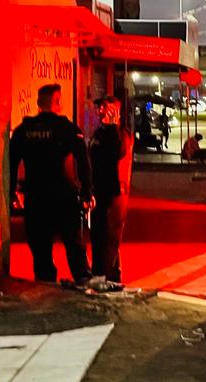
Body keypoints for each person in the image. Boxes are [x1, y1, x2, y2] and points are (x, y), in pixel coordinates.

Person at [9, 83, 92, 284]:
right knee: (74, 247)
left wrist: (11, 193)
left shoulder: (23, 131)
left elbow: (10, 165)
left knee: (41, 252)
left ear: (39, 103)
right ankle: (83, 284)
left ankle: (46, 286)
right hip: (64, 198)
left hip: (36, 198)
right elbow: (84, 162)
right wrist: (87, 193)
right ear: (57, 102)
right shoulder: (67, 129)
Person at [89, 96, 127, 289]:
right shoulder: (99, 132)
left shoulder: (120, 134)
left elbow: (117, 153)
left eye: (105, 107)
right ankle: (100, 272)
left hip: (112, 193)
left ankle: (108, 275)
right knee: (97, 234)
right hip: (97, 190)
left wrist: (113, 126)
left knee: (108, 236)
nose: (100, 111)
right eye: (100, 107)